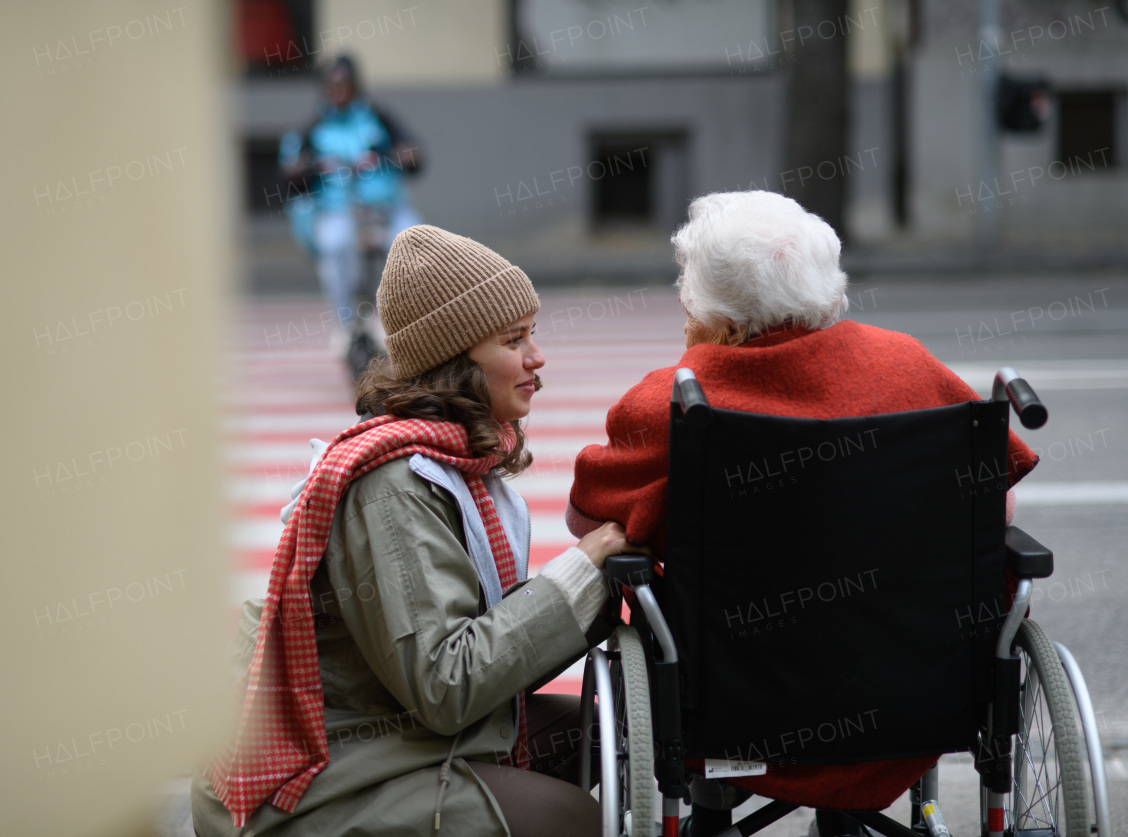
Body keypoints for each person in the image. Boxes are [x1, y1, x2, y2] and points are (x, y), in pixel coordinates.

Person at [565, 191, 1040, 836]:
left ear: (726, 328)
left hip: (733, 708)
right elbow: (994, 505)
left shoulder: (675, 404)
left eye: (687, 304)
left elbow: (586, 521)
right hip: (918, 700)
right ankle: (845, 811)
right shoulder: (911, 367)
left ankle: (711, 811)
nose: (683, 322)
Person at [194, 224, 647, 836]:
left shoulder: (461, 455)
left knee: (610, 733)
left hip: (393, 731)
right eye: (514, 340)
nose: (537, 358)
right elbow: (446, 685)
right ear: (456, 362)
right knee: (569, 818)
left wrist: (598, 589)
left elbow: (477, 643)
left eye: (532, 334)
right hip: (325, 775)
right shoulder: (392, 486)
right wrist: (584, 569)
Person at [279, 54, 423, 359]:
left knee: (412, 242)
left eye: (344, 83)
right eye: (332, 84)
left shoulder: (378, 117)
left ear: (356, 85)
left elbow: (414, 152)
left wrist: (388, 155)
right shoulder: (315, 127)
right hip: (339, 209)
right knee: (336, 245)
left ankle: (393, 321)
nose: (338, 89)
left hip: (386, 208)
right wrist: (315, 166)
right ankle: (344, 324)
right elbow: (290, 173)